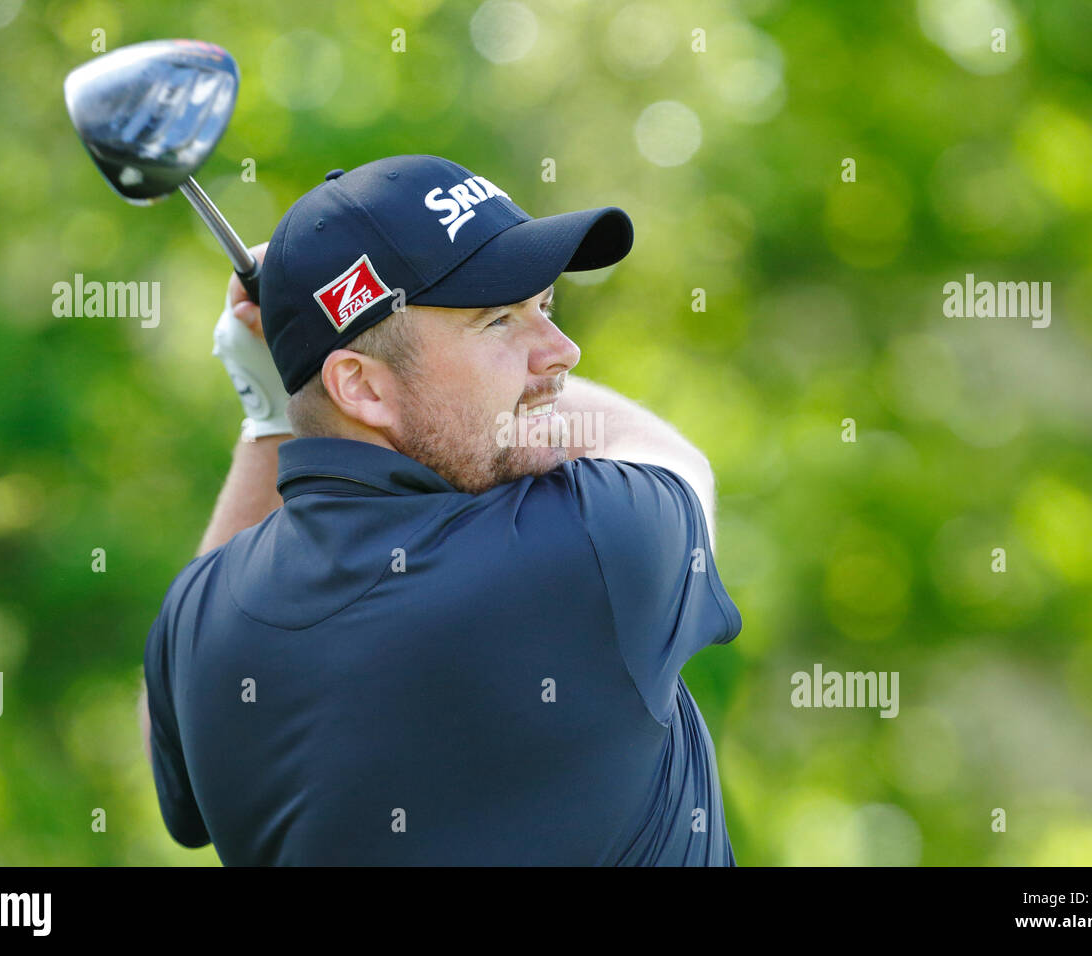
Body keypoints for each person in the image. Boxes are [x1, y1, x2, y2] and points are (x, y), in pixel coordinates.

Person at [140, 155, 743, 865]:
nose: (562, 351)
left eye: (542, 308)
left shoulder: (197, 618)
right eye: (497, 322)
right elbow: (676, 461)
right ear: (362, 388)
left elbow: (180, 780)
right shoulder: (591, 545)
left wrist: (271, 412)